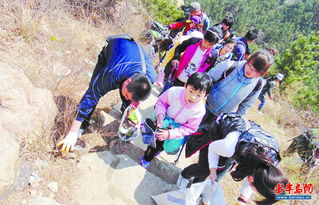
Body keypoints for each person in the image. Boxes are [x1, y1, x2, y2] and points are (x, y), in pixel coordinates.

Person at [57, 35, 157, 152]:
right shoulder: (113, 72)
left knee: (128, 102)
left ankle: (125, 118)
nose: (125, 97)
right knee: (94, 88)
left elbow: (134, 96)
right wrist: (73, 131)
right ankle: (82, 126)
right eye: (126, 94)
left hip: (132, 55)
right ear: (128, 81)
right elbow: (91, 96)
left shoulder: (151, 78)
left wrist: (133, 111)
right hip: (113, 51)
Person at [179, 113, 289, 205]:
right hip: (220, 132)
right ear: (252, 180)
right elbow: (213, 148)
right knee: (204, 169)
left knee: (216, 178)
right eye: (258, 191)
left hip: (243, 145)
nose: (255, 193)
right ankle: (183, 175)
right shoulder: (231, 147)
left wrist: (242, 200)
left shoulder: (271, 163)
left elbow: (256, 178)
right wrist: (212, 170)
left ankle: (195, 189)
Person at [140, 72, 212, 168]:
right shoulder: (174, 92)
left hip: (176, 129)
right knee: (155, 142)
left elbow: (190, 128)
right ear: (186, 85)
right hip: (163, 120)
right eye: (191, 91)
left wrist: (171, 134)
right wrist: (160, 114)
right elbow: (161, 102)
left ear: (206, 95)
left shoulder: (199, 110)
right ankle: (146, 158)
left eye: (199, 95)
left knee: (163, 145)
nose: (193, 97)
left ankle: (158, 150)